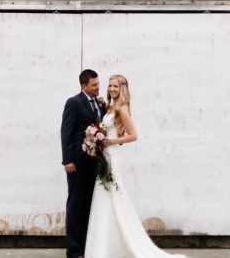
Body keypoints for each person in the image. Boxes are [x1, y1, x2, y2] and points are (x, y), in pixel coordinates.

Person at [84, 74, 186, 258]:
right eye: (110, 86)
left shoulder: (122, 108)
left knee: (113, 193)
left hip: (113, 156)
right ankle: (105, 246)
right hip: (104, 155)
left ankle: (123, 242)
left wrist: (110, 141)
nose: (112, 89)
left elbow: (134, 135)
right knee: (103, 195)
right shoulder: (109, 107)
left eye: (116, 86)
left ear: (122, 88)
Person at [61, 69, 103, 258]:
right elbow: (66, 132)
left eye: (98, 84)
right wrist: (68, 160)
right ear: (84, 85)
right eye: (93, 85)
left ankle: (87, 246)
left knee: (89, 205)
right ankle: (74, 249)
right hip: (77, 163)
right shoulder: (74, 103)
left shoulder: (100, 104)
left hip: (94, 164)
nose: (97, 87)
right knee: (76, 205)